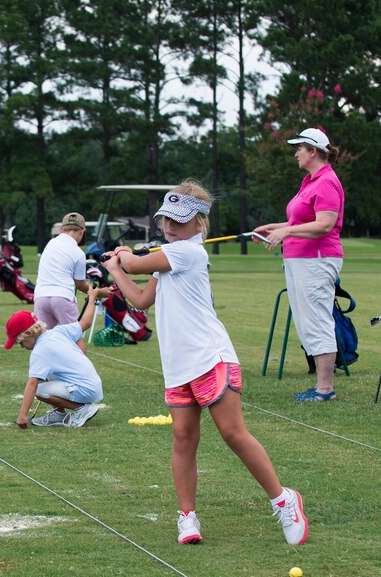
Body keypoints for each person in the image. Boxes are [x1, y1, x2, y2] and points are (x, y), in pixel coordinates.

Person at [102, 180, 308, 546]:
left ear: (199, 223)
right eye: (166, 219)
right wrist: (116, 270)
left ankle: (283, 499)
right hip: (178, 365)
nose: (170, 227)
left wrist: (124, 257)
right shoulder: (169, 255)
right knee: (183, 438)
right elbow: (140, 299)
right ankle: (187, 517)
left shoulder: (188, 253)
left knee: (232, 432)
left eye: (179, 221)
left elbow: (135, 262)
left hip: (210, 357)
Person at [253, 128, 345, 402]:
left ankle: (325, 389)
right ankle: (320, 386)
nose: (296, 154)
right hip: (299, 260)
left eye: (299, 149)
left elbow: (325, 224)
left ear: (313, 151)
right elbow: (303, 220)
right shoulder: (310, 181)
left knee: (317, 320)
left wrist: (287, 232)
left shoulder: (326, 181)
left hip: (317, 260)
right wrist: (276, 227)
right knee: (307, 322)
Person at [6, 285, 111, 429]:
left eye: (20, 342)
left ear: (28, 334)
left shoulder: (40, 351)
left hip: (84, 390)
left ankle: (81, 409)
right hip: (92, 384)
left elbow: (32, 384)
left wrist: (23, 415)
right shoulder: (58, 331)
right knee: (49, 375)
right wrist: (92, 297)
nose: (22, 346)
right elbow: (86, 323)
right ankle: (58, 414)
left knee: (39, 391)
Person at [33, 212, 90, 329]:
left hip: (40, 297)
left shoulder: (50, 243)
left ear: (61, 229)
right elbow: (80, 285)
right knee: (75, 338)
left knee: (44, 339)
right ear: (82, 231)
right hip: (62, 297)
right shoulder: (79, 253)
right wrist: (97, 291)